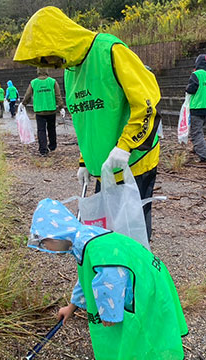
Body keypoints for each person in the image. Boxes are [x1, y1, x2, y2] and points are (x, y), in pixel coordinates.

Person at [14, 6, 162, 241]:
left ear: (60, 40)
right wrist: (85, 161)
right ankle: (113, 272)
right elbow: (86, 121)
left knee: (133, 231)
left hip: (133, 161)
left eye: (48, 56)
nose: (51, 64)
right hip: (104, 166)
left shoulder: (111, 51)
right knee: (107, 229)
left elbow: (146, 103)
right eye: (44, 61)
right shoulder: (70, 70)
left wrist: (125, 146)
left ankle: (138, 273)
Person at [28, 198, 188, 359]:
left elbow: (111, 278)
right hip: (144, 277)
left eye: (44, 244)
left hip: (145, 284)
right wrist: (71, 307)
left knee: (145, 327)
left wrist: (110, 314)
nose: (46, 249)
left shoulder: (92, 246)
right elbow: (87, 277)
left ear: (55, 236)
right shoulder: (83, 238)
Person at [185, 54, 206, 162]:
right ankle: (197, 149)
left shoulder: (196, 74)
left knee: (196, 132)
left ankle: (203, 155)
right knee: (198, 130)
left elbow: (191, 89)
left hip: (197, 107)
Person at [22, 68, 63, 156]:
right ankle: (52, 146)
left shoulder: (33, 82)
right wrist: (61, 107)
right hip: (51, 109)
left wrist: (23, 104)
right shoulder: (52, 81)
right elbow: (58, 95)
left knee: (41, 130)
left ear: (38, 72)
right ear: (47, 71)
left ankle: (43, 150)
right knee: (51, 128)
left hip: (39, 111)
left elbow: (28, 95)